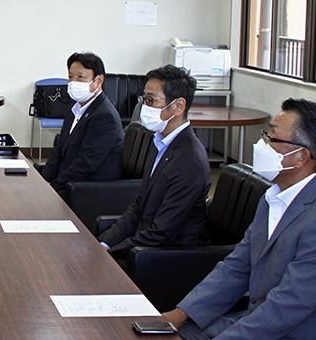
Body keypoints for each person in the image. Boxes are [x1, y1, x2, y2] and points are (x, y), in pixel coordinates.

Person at [163, 98, 316, 340]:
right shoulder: (271, 198)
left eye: (272, 139)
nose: (262, 145)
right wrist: (180, 314)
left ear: (301, 157)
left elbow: (289, 305)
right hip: (252, 319)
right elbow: (237, 266)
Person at [98, 65, 210, 259]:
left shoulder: (190, 161)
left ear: (179, 106)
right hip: (142, 243)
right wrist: (102, 244)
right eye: (144, 99)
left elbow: (162, 233)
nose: (144, 106)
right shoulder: (160, 143)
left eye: (151, 100)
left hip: (165, 258)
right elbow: (138, 206)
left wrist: (109, 254)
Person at [39, 52, 124, 197]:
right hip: (68, 180)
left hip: (87, 190)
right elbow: (60, 148)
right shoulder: (75, 108)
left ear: (99, 81)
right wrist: (43, 178)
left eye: (81, 77)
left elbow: (86, 164)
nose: (73, 82)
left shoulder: (104, 116)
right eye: (70, 77)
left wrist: (53, 187)